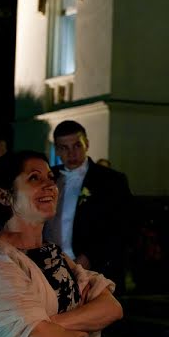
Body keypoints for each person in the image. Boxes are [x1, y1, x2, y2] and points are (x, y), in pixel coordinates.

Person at [0, 151, 123, 337]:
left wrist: (50, 323)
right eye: (34, 178)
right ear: (3, 196)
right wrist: (86, 325)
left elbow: (112, 308)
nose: (49, 185)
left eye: (50, 177)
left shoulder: (55, 255)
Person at [44, 121, 133, 294]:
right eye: (64, 147)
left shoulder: (111, 180)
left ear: (87, 144)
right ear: (57, 149)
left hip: (96, 268)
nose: (71, 153)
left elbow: (122, 226)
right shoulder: (49, 177)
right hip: (51, 268)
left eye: (77, 145)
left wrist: (90, 256)